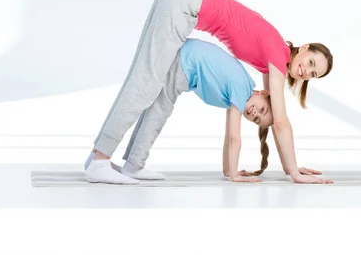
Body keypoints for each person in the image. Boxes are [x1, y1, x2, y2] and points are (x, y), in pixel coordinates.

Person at [87, 0, 333, 184]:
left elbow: (273, 117)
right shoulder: (278, 56)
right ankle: (100, 159)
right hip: (186, 4)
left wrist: (291, 169)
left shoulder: (271, 63)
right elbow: (281, 121)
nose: (306, 72)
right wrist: (296, 174)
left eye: (313, 75)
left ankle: (132, 164)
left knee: (155, 91)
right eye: (311, 63)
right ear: (304, 48)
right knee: (145, 83)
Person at [86, 38, 296, 184]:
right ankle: (129, 163)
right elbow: (234, 138)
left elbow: (227, 136)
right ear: (263, 92)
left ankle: (130, 162)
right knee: (158, 110)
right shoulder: (242, 89)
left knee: (155, 108)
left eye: (257, 119)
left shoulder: (239, 90)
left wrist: (227, 170)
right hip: (184, 62)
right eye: (261, 108)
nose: (255, 114)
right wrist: (234, 175)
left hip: (185, 59)